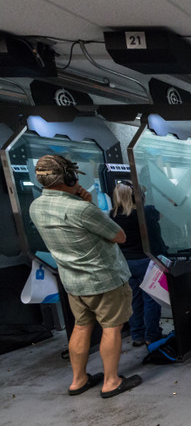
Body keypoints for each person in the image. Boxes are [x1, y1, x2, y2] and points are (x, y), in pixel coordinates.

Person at [30, 155, 142, 398]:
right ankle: (111, 381)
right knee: (111, 328)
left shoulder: (36, 206)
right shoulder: (81, 208)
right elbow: (118, 235)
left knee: (81, 327)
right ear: (68, 177)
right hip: (104, 279)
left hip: (73, 281)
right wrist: (89, 204)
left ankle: (78, 380)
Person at [110, 180, 167, 347]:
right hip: (146, 261)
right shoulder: (146, 212)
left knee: (134, 300)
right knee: (151, 300)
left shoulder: (112, 216)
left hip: (125, 263)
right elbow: (160, 217)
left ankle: (138, 335)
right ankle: (152, 335)